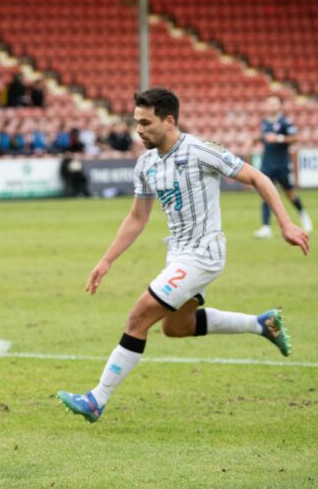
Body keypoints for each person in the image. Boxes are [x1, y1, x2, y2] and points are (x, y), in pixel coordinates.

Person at [57, 88, 310, 423]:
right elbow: (137, 218)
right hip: (177, 254)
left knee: (139, 316)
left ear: (169, 120)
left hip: (203, 253)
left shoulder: (200, 150)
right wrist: (106, 260)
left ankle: (96, 399)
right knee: (177, 327)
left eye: (146, 122)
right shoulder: (145, 163)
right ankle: (261, 324)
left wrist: (286, 223)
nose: (139, 130)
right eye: (136, 122)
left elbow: (257, 177)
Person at [253, 95, 312, 238]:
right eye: (269, 103)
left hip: (282, 165)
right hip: (267, 164)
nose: (271, 106)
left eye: (274, 103)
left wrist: (279, 138)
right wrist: (257, 138)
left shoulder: (285, 122)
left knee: (290, 194)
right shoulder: (264, 122)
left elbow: (296, 137)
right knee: (265, 194)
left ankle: (303, 215)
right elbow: (261, 137)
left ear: (280, 105)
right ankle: (266, 227)